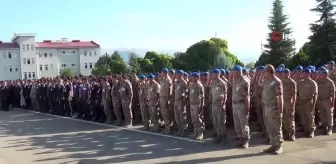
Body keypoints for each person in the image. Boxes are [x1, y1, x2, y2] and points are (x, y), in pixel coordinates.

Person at [258, 64, 284, 155]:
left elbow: (280, 96)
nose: (263, 73)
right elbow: (259, 83)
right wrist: (261, 75)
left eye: (264, 71)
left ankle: (279, 146)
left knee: (276, 127)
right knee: (269, 127)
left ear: (268, 72)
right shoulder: (266, 81)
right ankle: (273, 144)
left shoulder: (277, 81)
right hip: (267, 107)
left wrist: (280, 110)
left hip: (274, 107)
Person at [231, 65, 250, 148]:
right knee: (237, 123)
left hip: (242, 104)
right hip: (234, 104)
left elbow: (247, 96)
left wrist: (247, 108)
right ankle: (240, 139)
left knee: (243, 123)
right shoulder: (235, 80)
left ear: (238, 72)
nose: (232, 73)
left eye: (234, 72)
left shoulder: (245, 81)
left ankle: (246, 140)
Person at [209, 68, 228, 143]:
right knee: (215, 120)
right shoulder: (213, 82)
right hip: (214, 103)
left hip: (219, 103)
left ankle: (223, 136)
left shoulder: (222, 83)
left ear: (217, 74)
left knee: (221, 120)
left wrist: (223, 104)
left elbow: (225, 94)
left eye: (213, 74)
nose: (211, 75)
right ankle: (218, 134)